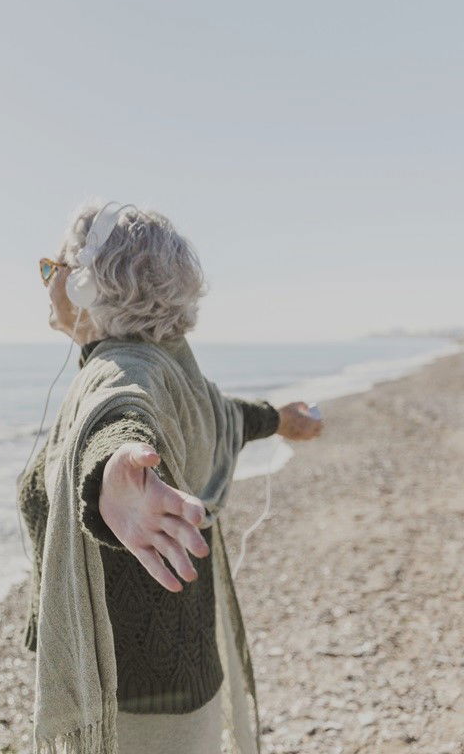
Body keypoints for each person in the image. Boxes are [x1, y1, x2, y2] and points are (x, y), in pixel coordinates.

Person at [17, 200, 322, 754]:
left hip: (130, 688)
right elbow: (222, 412)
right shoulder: (173, 365)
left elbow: (122, 417)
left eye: (50, 270)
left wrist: (112, 471)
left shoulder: (123, 370)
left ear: (87, 285)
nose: (45, 284)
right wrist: (281, 419)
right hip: (183, 662)